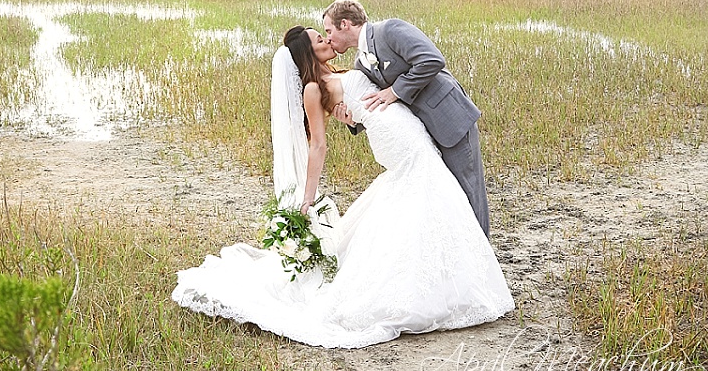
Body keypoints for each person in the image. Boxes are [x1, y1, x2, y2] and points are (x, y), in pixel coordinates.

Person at [171, 26, 513, 349]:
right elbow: (318, 145)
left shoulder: (339, 70)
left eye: (324, 34)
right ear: (308, 52)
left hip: (403, 127)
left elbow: (362, 98)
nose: (325, 39)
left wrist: (351, 111)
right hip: (394, 136)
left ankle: (446, 273)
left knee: (424, 192)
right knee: (423, 183)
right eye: (318, 38)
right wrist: (308, 195)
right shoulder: (313, 89)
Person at [323, 0, 491, 238]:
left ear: (345, 24)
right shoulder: (360, 63)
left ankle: (482, 260)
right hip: (422, 134)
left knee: (468, 191)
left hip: (449, 118)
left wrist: (394, 91)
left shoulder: (389, 30)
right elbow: (374, 101)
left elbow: (431, 60)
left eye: (329, 31)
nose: (327, 38)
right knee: (448, 197)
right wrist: (352, 121)